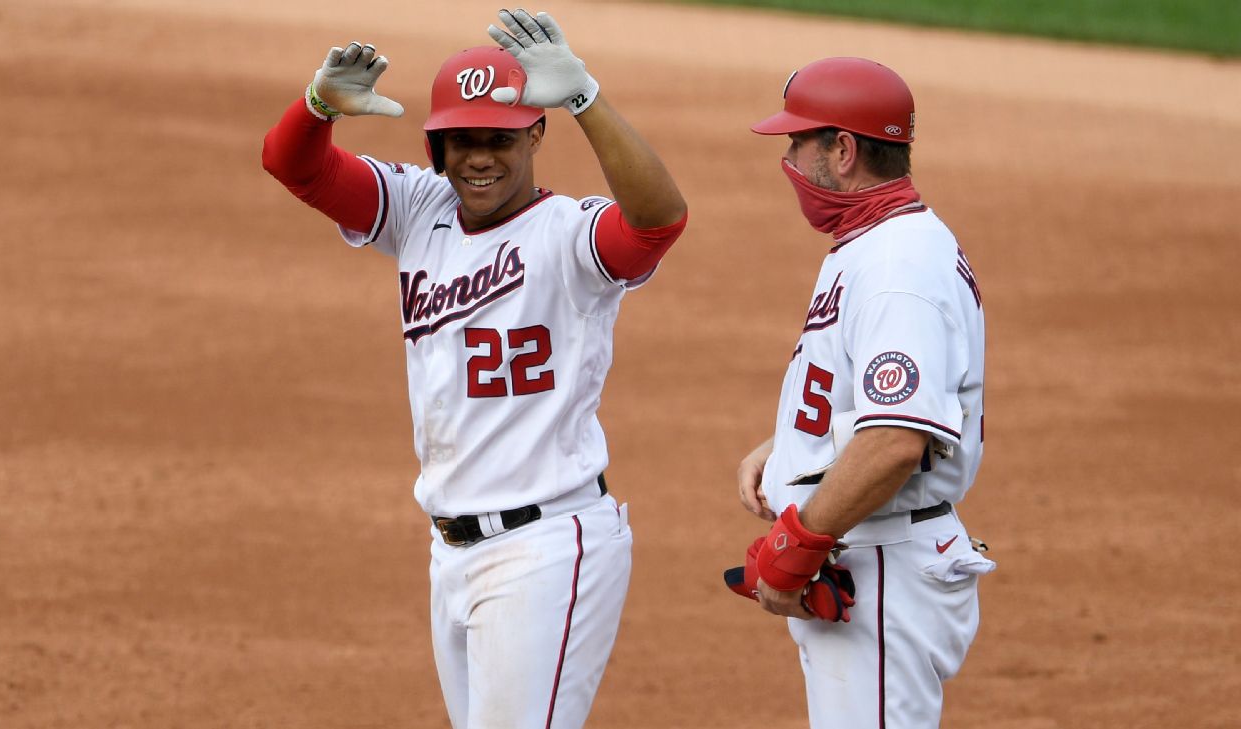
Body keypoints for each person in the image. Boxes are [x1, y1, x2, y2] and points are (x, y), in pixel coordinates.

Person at [261, 9, 686, 729]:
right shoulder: (418, 209)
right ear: (437, 146)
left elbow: (658, 220)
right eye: (462, 140)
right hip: (451, 550)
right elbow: (292, 165)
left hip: (545, 546)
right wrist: (318, 107)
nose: (479, 158)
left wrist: (583, 96)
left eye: (499, 139)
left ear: (535, 135)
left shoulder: (569, 236)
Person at [728, 57, 995, 728]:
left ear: (842, 150)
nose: (788, 159)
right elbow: (880, 401)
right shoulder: (875, 241)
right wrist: (794, 443)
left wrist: (799, 543)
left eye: (798, 142)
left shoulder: (898, 262)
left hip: (881, 567)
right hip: (870, 552)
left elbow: (897, 439)